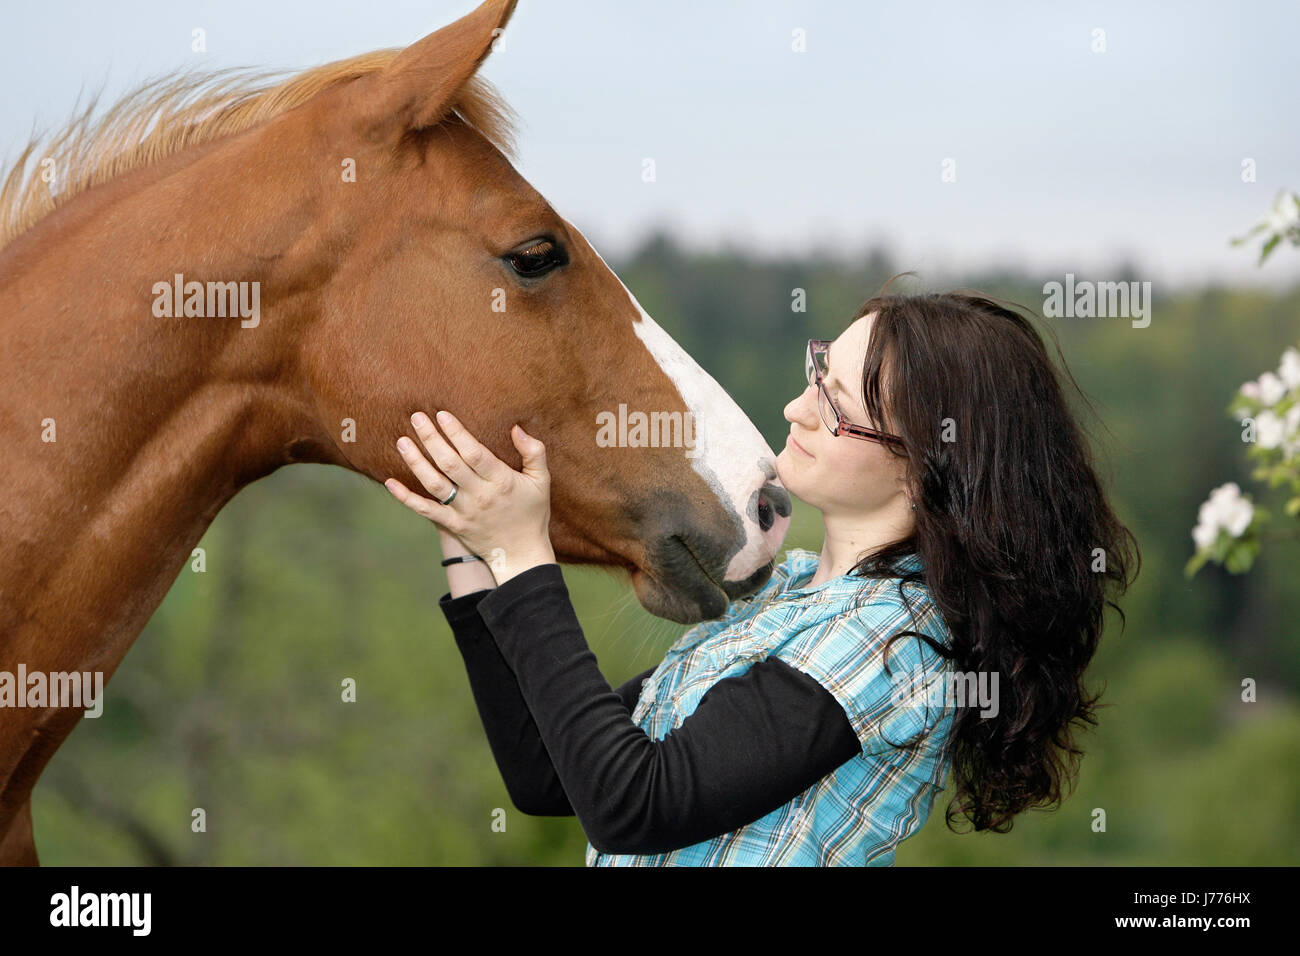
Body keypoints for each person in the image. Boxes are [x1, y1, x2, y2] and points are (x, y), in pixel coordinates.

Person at [383, 280, 1139, 866]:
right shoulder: (787, 592)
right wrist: (473, 543)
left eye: (835, 406)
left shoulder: (892, 644)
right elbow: (549, 773)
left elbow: (633, 803)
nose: (796, 409)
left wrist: (523, 553)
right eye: (817, 374)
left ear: (928, 467)